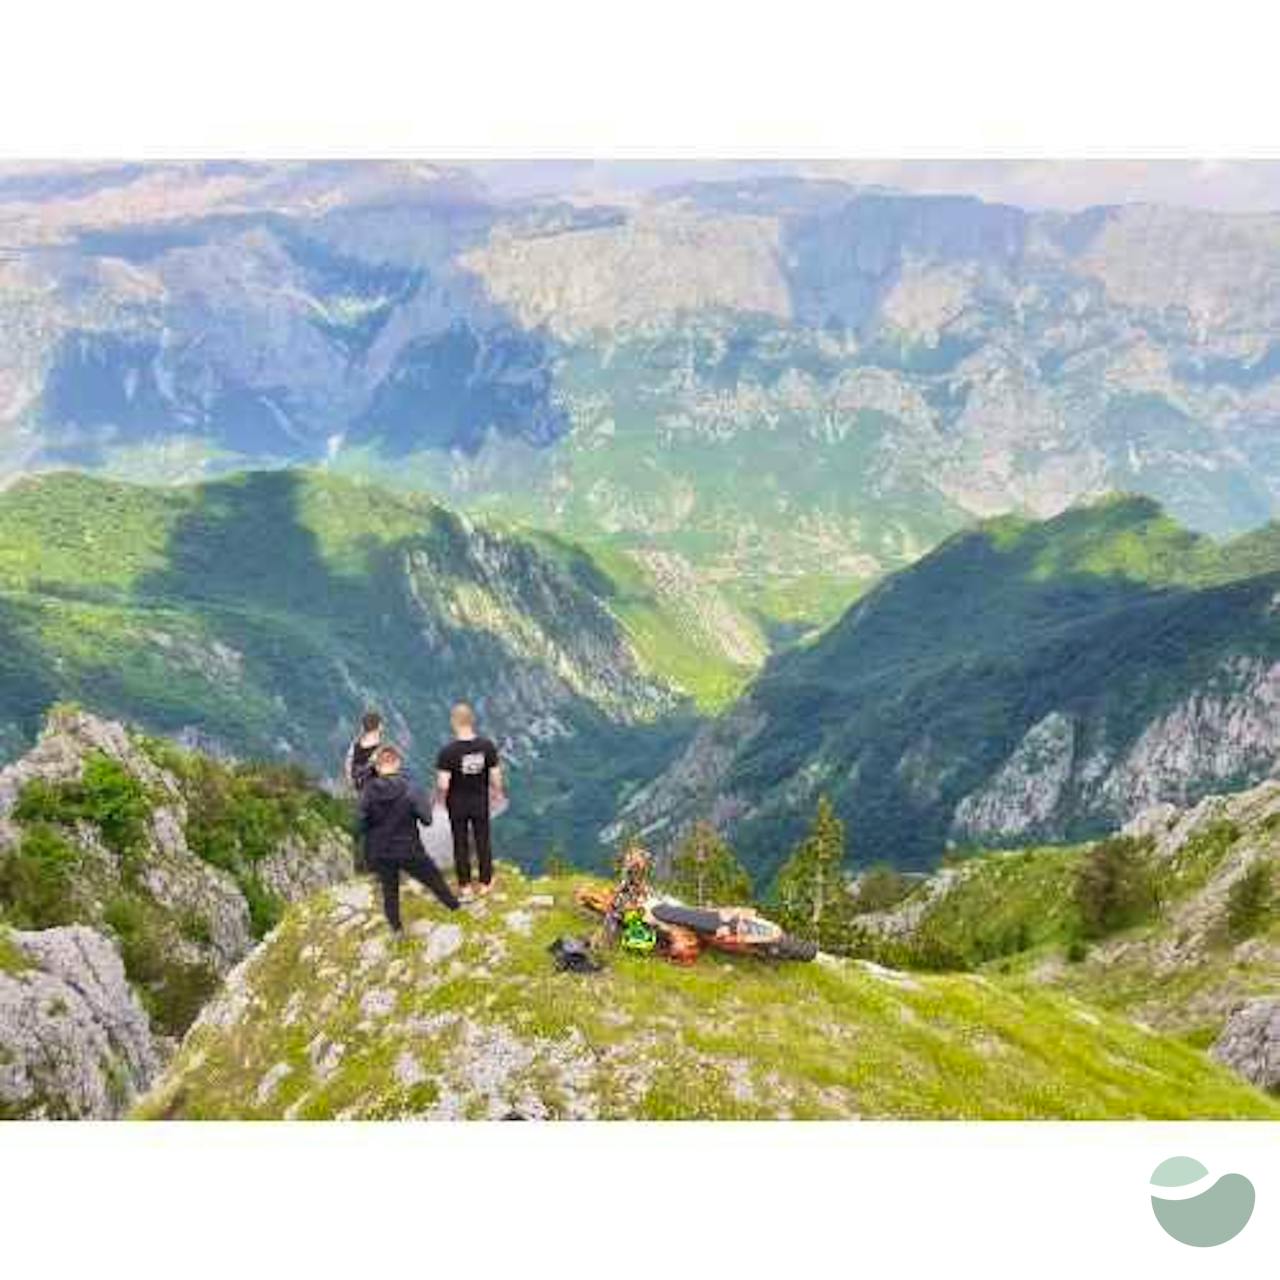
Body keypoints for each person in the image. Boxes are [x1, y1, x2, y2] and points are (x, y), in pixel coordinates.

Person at [357, 744, 461, 933]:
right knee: (434, 880)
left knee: (390, 892)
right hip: (409, 849)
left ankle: (397, 931)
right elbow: (428, 821)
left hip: (380, 852)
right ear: (398, 763)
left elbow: (362, 825)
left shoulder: (367, 792)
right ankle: (455, 908)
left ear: (378, 767)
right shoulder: (411, 789)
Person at [435, 702, 504, 899]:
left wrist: (440, 801)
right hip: (480, 801)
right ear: (471, 720)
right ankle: (485, 883)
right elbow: (496, 775)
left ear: (454, 722)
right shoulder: (486, 746)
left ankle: (464, 886)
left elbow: (443, 784)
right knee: (483, 840)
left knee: (460, 843)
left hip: (457, 804)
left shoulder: (447, 752)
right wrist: (498, 793)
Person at [345, 710, 382, 793]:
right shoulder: (380, 749)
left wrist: (352, 783)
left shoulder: (354, 745)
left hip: (359, 787)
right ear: (379, 726)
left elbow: (348, 764)